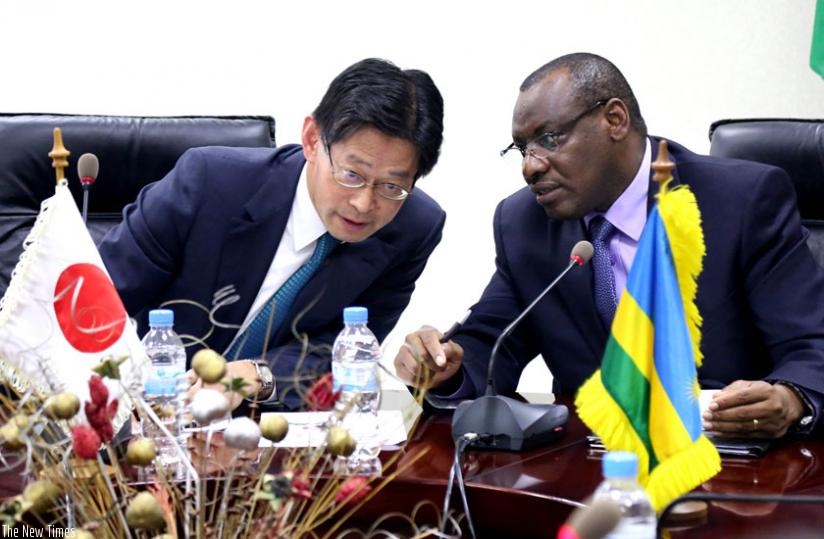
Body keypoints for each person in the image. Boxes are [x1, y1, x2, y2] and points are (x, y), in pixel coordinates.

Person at [394, 52, 824, 439]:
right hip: (593, 466)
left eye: (549, 139)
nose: (530, 166)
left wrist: (789, 399)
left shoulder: (739, 201)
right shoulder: (523, 223)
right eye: (521, 148)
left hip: (732, 463)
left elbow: (812, 345)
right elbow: (490, 347)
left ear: (614, 120)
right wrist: (443, 369)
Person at [99, 58, 445, 410]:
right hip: (145, 414)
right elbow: (96, 300)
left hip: (272, 435)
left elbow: (342, 353)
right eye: (352, 174)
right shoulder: (207, 183)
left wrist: (256, 375)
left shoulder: (412, 229)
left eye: (392, 186)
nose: (363, 203)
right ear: (312, 140)